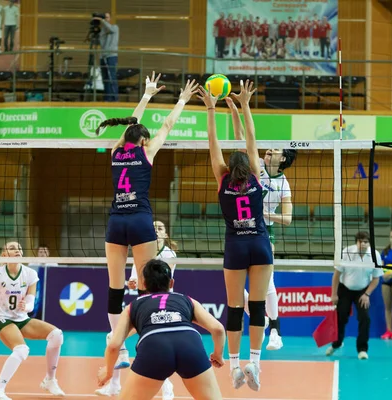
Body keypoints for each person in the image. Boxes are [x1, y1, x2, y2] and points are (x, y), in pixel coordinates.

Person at [99, 73, 198, 376]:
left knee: (115, 290)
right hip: (141, 221)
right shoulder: (147, 151)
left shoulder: (116, 152)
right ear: (143, 140)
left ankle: (120, 347)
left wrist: (145, 95)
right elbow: (167, 125)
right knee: (148, 289)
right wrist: (181, 99)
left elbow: (130, 125)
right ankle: (147, 342)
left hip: (117, 222)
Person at [198, 80, 273, 391]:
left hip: (236, 247)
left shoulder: (222, 177)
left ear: (229, 167)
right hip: (260, 243)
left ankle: (233, 368)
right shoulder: (256, 176)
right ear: (249, 165)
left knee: (234, 308)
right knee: (257, 306)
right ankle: (254, 362)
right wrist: (245, 105)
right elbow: (252, 139)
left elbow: (212, 142)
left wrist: (212, 108)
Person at [97, 259, 225, 400]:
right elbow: (218, 329)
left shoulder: (133, 306)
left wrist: (108, 372)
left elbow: (114, 345)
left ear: (144, 284)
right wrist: (218, 355)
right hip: (189, 345)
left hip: (154, 348)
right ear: (171, 283)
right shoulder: (187, 300)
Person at [228, 96, 296, 351]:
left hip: (266, 232)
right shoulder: (256, 168)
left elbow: (288, 218)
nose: (270, 150)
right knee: (235, 283)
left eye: (276, 150)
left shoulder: (283, 184)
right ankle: (263, 317)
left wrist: (267, 216)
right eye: (270, 148)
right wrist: (235, 109)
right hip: (242, 226)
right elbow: (239, 137)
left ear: (283, 159)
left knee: (267, 283)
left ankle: (275, 331)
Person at [0, 241, 65, 400]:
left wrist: (26, 306)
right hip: (2, 319)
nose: (17, 250)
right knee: (22, 350)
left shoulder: (30, 274)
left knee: (57, 335)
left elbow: (31, 301)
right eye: (12, 248)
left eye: (19, 248)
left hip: (22, 319)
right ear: (4, 254)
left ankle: (50, 380)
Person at [97, 220, 178, 397]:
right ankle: (115, 385)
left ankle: (167, 386)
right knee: (112, 336)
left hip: (162, 306)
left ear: (165, 234)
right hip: (144, 306)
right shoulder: (141, 253)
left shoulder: (169, 255)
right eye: (154, 227)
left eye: (161, 228)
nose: (156, 230)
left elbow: (158, 283)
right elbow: (136, 280)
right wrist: (133, 282)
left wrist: (140, 282)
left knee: (150, 345)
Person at [327, 231, 383, 360]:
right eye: (360, 241)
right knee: (341, 318)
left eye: (366, 242)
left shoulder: (375, 255)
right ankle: (337, 343)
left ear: (369, 243)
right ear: (356, 242)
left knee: (365, 318)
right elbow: (336, 275)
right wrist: (334, 294)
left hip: (362, 291)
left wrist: (367, 294)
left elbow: (376, 279)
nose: (363, 244)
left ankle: (362, 349)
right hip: (345, 289)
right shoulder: (347, 252)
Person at [93, 12, 119, 102]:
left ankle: (115, 99)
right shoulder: (102, 31)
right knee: (105, 79)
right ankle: (107, 98)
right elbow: (99, 43)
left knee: (112, 77)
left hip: (111, 56)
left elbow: (110, 29)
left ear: (110, 19)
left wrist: (102, 20)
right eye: (104, 18)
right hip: (103, 57)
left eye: (106, 18)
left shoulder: (115, 27)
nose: (105, 19)